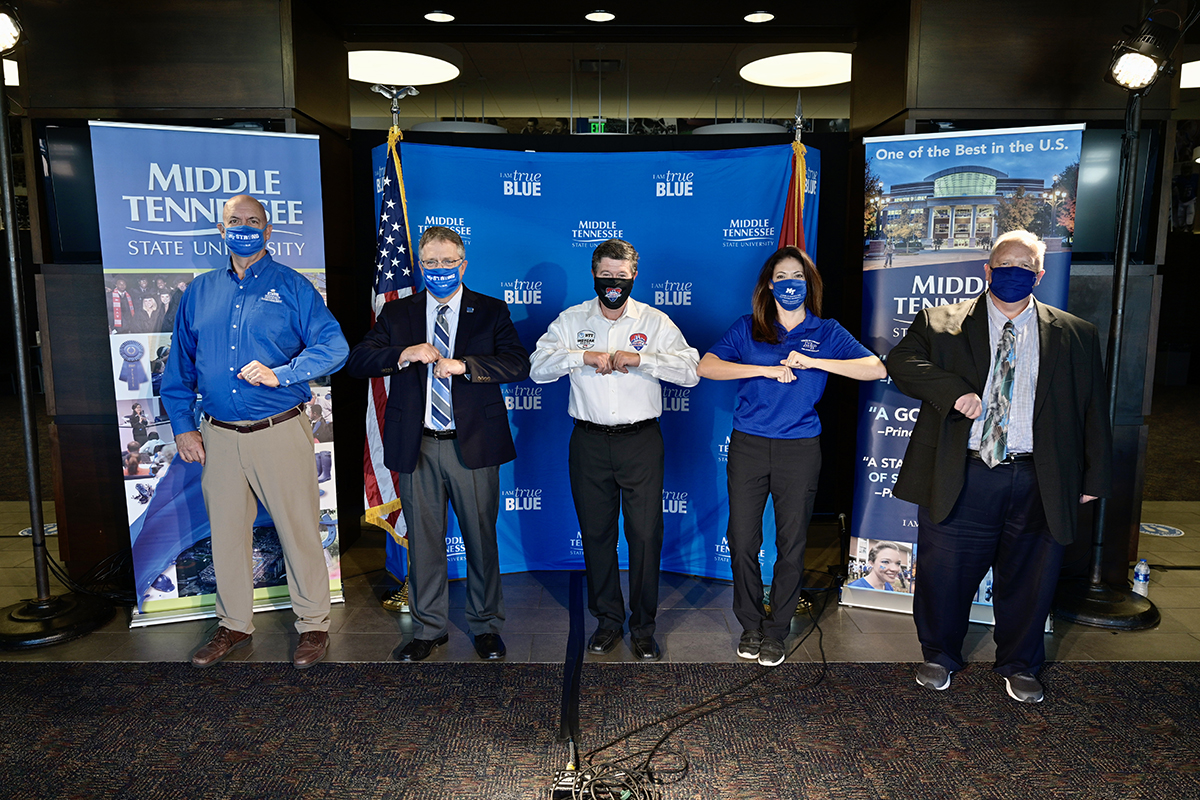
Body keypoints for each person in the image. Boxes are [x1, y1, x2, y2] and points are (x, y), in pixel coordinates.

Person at [887, 229, 1112, 703]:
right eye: (1004, 264)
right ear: (987, 270)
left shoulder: (1077, 334)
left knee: (1031, 578)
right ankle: (939, 655)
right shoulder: (940, 321)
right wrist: (955, 392)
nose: (1014, 272)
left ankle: (1020, 663)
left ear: (1040, 274)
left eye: (1025, 266)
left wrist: (1094, 477)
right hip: (965, 472)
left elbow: (1093, 408)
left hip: (1040, 476)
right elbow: (902, 363)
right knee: (943, 574)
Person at [162, 194, 349, 670]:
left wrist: (282, 373)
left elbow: (334, 347)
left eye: (253, 220)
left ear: (269, 230)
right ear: (220, 229)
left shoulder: (292, 286)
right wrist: (183, 426)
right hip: (218, 435)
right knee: (225, 535)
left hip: (278, 429)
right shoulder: (200, 291)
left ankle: (312, 625)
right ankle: (233, 625)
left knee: (300, 530)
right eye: (234, 220)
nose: (243, 227)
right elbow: (179, 368)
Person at [346, 226, 529, 662]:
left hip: (474, 446)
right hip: (418, 446)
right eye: (432, 262)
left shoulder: (490, 310)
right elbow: (358, 361)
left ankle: (485, 626)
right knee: (425, 542)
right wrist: (404, 354)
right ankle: (429, 629)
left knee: (481, 538)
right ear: (421, 265)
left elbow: (517, 364)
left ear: (463, 264)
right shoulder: (398, 314)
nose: (441, 269)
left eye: (449, 262)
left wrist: (465, 365)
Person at [697, 246, 885, 666]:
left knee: (791, 541)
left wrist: (819, 360)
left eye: (797, 276)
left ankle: (777, 630)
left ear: (809, 282)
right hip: (748, 445)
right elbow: (706, 367)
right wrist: (761, 369)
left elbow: (875, 368)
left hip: (799, 448)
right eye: (781, 276)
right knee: (742, 539)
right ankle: (750, 624)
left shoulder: (827, 329)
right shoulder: (749, 328)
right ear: (768, 284)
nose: (789, 284)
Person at [530, 238, 699, 662]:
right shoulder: (571, 320)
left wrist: (643, 360)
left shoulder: (655, 321)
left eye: (621, 276)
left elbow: (692, 371)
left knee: (644, 536)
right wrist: (581, 356)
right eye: (606, 275)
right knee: (597, 535)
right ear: (594, 274)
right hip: (588, 441)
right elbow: (537, 369)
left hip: (640, 441)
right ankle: (608, 621)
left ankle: (643, 627)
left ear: (633, 277)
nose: (613, 282)